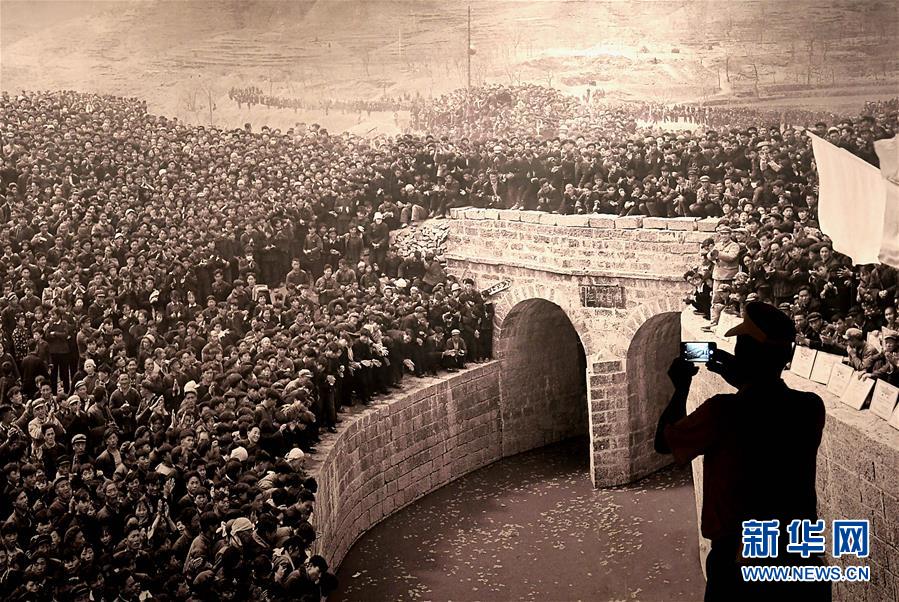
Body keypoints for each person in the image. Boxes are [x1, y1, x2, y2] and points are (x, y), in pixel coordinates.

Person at [655, 301, 829, 601]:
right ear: (787, 357)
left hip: (739, 565)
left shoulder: (721, 412)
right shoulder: (811, 408)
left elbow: (663, 442)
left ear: (744, 353)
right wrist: (748, 380)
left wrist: (680, 387)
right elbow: (767, 408)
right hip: (799, 559)